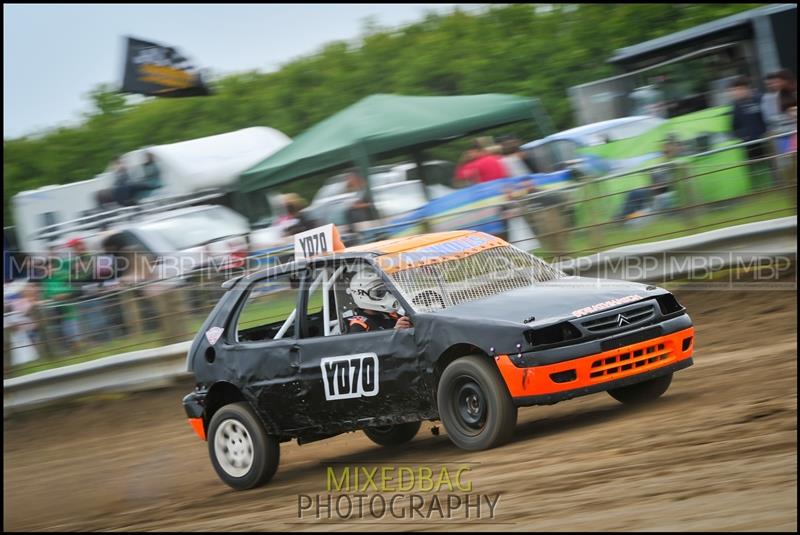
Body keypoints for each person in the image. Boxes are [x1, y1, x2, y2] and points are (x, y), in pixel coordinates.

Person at [730, 76, 772, 189]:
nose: (735, 93)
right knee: (753, 170)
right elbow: (734, 127)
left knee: (771, 165)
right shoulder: (736, 106)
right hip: (749, 144)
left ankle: (776, 185)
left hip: (765, 140)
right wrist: (743, 136)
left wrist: (767, 132)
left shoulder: (760, 99)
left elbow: (768, 118)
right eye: (734, 90)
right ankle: (757, 189)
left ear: (746, 88)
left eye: (738, 89)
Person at [345, 268, 411, 332]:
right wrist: (395, 332)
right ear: (361, 294)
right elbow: (362, 343)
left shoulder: (390, 315)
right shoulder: (358, 324)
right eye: (379, 292)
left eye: (387, 290)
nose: (387, 294)